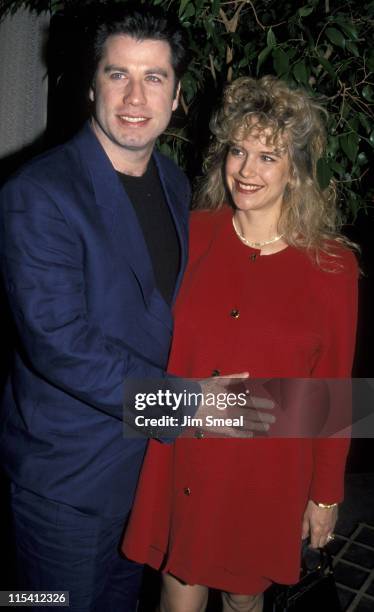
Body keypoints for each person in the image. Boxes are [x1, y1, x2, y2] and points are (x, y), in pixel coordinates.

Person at [123, 75, 359, 612]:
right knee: (176, 592)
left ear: (296, 171)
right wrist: (150, 412)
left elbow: (334, 392)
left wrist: (326, 495)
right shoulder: (192, 233)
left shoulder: (332, 266)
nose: (246, 171)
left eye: (268, 157)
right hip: (184, 454)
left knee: (244, 600)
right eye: (238, 151)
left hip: (267, 471)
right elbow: (141, 343)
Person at [0, 5, 193, 611]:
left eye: (155, 77)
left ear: (177, 93)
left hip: (145, 475)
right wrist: (187, 404)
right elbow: (59, 343)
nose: (136, 96)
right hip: (67, 483)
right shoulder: (38, 192)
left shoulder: (175, 180)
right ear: (91, 85)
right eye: (118, 75)